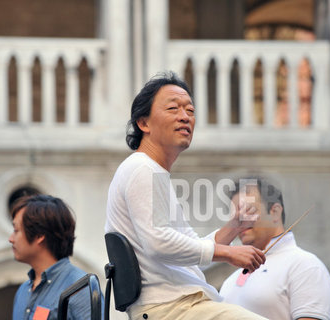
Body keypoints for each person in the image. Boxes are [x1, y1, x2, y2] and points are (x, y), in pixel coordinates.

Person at [105, 72, 267, 320]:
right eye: (173, 109)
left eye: (190, 111)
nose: (184, 117)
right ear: (143, 123)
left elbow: (191, 253)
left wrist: (233, 228)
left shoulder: (152, 172)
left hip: (179, 305)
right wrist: (229, 253)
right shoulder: (142, 168)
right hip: (170, 308)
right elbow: (159, 242)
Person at [220, 178, 330, 320]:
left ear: (275, 212)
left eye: (247, 210)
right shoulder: (230, 280)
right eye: (234, 216)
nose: (240, 220)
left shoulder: (305, 265)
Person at [9, 194, 98, 320]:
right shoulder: (23, 291)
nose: (10, 239)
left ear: (39, 235)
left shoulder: (81, 288)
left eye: (16, 230)